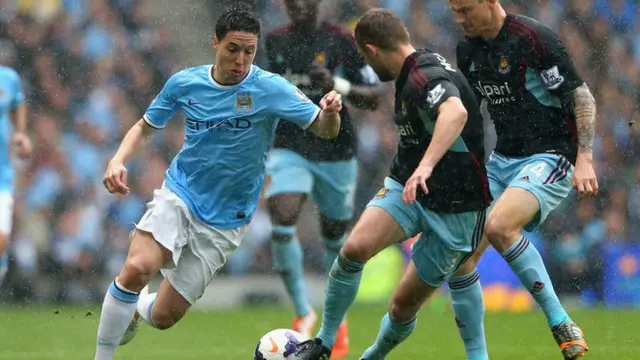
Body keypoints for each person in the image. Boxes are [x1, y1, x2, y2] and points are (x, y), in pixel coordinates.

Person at [93, 7, 344, 360]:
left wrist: (332, 114)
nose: (241, 60)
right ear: (215, 42)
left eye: (249, 51)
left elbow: (324, 130)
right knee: (137, 268)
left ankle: (135, 310)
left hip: (225, 221)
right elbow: (144, 127)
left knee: (164, 317)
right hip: (180, 194)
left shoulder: (270, 88)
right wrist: (118, 159)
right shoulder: (185, 83)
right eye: (233, 49)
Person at [290, 8, 492, 360]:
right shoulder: (411, 70)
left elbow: (455, 112)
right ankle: (322, 343)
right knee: (353, 249)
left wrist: (426, 166)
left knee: (401, 307)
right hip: (407, 188)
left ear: (371, 49)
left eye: (365, 58)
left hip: (456, 207)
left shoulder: (423, 76)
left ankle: (373, 356)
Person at [449, 0, 598, 359]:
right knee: (458, 260)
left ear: (489, 3)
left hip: (552, 155)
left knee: (499, 226)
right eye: (454, 11)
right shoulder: (467, 49)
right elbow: (468, 115)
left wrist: (585, 157)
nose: (459, 18)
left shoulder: (533, 38)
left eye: (466, 9)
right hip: (502, 160)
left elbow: (581, 96)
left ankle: (561, 321)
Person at [263, 0, 381, 355]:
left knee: (335, 235)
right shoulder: (272, 42)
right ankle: (302, 312)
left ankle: (337, 320)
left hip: (336, 152)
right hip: (290, 147)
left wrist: (338, 84)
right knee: (282, 216)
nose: (298, 5)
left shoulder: (342, 41)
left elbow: (374, 98)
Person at [0, 64, 32, 286]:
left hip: (1, 172)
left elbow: (17, 103)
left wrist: (20, 133)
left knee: (1, 239)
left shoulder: (8, 77)